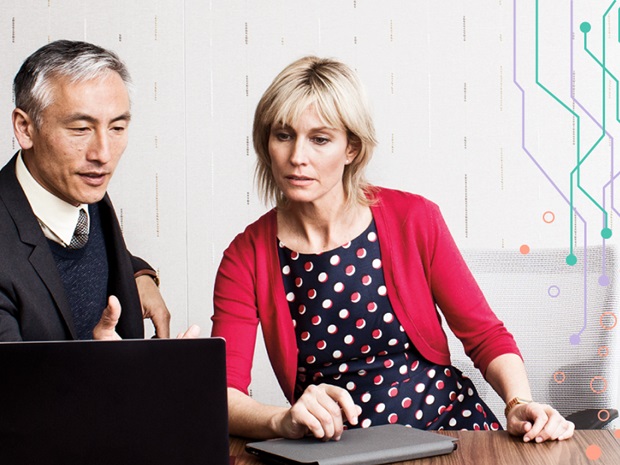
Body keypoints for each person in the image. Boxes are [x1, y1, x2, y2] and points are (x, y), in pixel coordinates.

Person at [212, 56, 575, 443]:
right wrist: (281, 420)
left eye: (320, 139)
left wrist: (518, 402)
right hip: (340, 451)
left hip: (451, 432)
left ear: (351, 148)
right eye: (283, 135)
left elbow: (485, 335)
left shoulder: (414, 218)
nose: (298, 156)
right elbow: (224, 395)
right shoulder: (245, 256)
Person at [0, 40, 189, 341]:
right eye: (80, 129)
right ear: (25, 128)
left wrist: (138, 273)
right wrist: (104, 368)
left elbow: (73, 246)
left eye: (116, 128)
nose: (103, 153)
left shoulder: (81, 186)